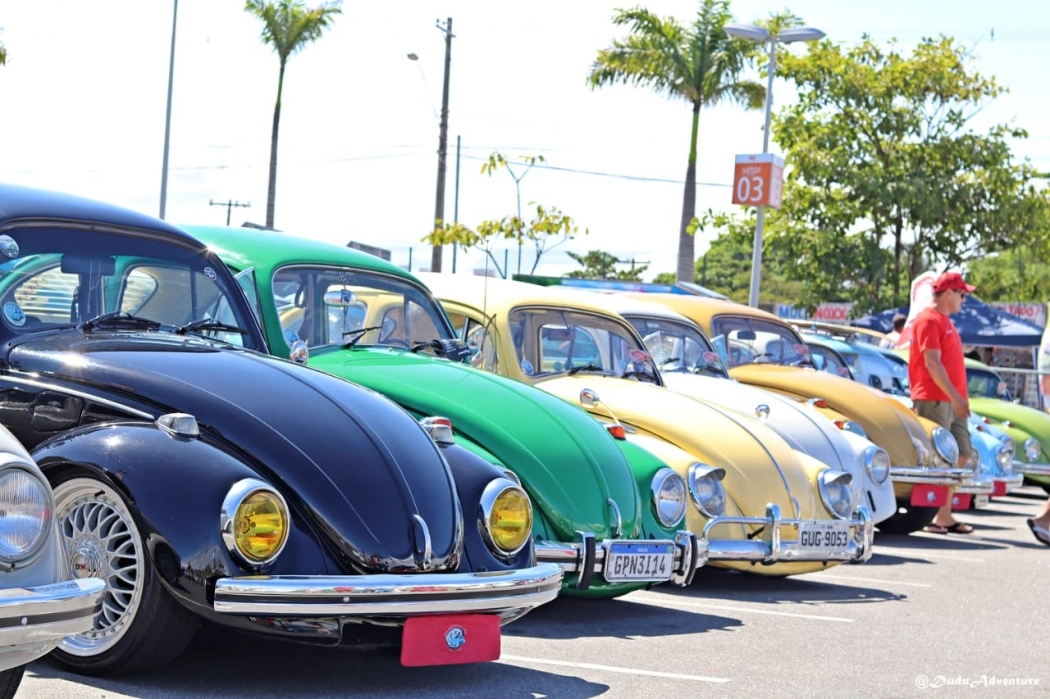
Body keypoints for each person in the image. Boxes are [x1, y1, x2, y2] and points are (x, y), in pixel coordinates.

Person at [907, 271, 975, 534]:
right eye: (961, 294)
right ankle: (930, 514)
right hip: (934, 398)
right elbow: (932, 363)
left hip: (951, 401)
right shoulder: (928, 320)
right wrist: (956, 397)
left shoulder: (944, 321)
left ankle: (942, 515)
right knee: (939, 458)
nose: (963, 300)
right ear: (948, 293)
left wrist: (959, 399)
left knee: (961, 454)